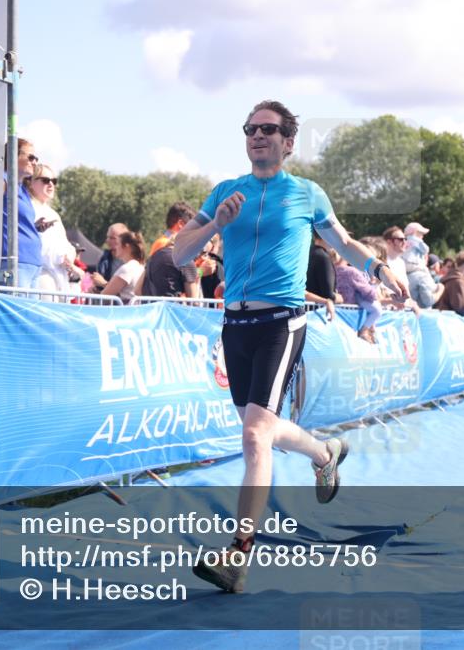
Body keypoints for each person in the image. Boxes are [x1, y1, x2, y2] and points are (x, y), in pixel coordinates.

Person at [172, 100, 409, 593]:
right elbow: (180, 253)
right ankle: (323, 454)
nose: (257, 135)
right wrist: (217, 223)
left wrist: (379, 270)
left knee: (256, 436)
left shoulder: (306, 193)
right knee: (264, 429)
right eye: (250, 129)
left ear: (288, 141)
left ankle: (237, 556)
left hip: (282, 321)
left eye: (268, 129)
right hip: (235, 325)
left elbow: (343, 243)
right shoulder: (225, 192)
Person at [25, 164, 81, 294]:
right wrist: (60, 257)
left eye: (54, 181)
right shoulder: (28, 209)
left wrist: (69, 255)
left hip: (58, 278)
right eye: (45, 180)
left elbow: (66, 245)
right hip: (41, 276)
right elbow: (33, 245)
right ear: (30, 182)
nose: (51, 184)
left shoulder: (53, 214)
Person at [0, 138, 42, 288]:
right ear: (13, 155)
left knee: (28, 312)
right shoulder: (2, 182)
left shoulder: (22, 188)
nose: (35, 162)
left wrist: (35, 227)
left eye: (36, 158)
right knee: (16, 311)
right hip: (16, 262)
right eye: (31, 157)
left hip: (33, 263)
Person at [334, 251, 383, 343]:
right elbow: (367, 291)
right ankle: (364, 331)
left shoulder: (333, 269)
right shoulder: (351, 271)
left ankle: (369, 329)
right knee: (377, 310)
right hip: (353, 302)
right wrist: (374, 293)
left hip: (343, 304)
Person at [403, 223, 443, 308]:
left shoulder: (400, 272)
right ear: (414, 232)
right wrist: (440, 290)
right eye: (420, 234)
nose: (422, 237)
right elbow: (428, 301)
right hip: (420, 316)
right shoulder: (414, 240)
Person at [101, 231, 145, 304]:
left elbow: (105, 295)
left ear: (127, 246)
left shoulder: (127, 269)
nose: (115, 247)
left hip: (126, 312)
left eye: (118, 244)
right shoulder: (140, 266)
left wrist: (100, 286)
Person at [305, 233, 339, 320]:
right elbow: (328, 294)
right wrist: (340, 298)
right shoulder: (323, 257)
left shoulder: (307, 252)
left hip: (304, 311)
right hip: (317, 314)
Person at [91, 223, 129, 292]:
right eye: (108, 237)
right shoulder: (103, 258)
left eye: (112, 238)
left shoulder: (129, 263)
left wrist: (103, 283)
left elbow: (125, 292)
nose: (107, 240)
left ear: (124, 240)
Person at [435, 251, 464, 316]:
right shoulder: (458, 281)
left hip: (441, 318)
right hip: (451, 321)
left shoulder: (447, 278)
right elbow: (462, 309)